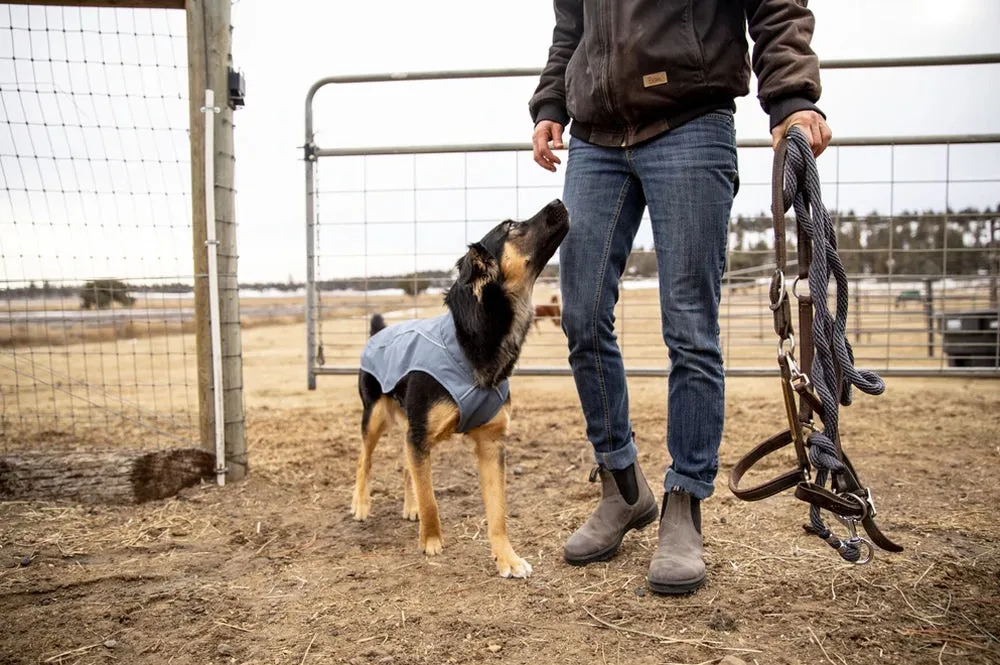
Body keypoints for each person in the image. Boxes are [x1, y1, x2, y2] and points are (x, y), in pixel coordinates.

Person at [528, 0, 832, 595]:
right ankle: (622, 485)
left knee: (689, 328)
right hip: (594, 139)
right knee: (583, 319)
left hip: (690, 123)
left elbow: (775, 5)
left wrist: (793, 97)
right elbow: (572, 24)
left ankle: (685, 501)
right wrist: (550, 102)